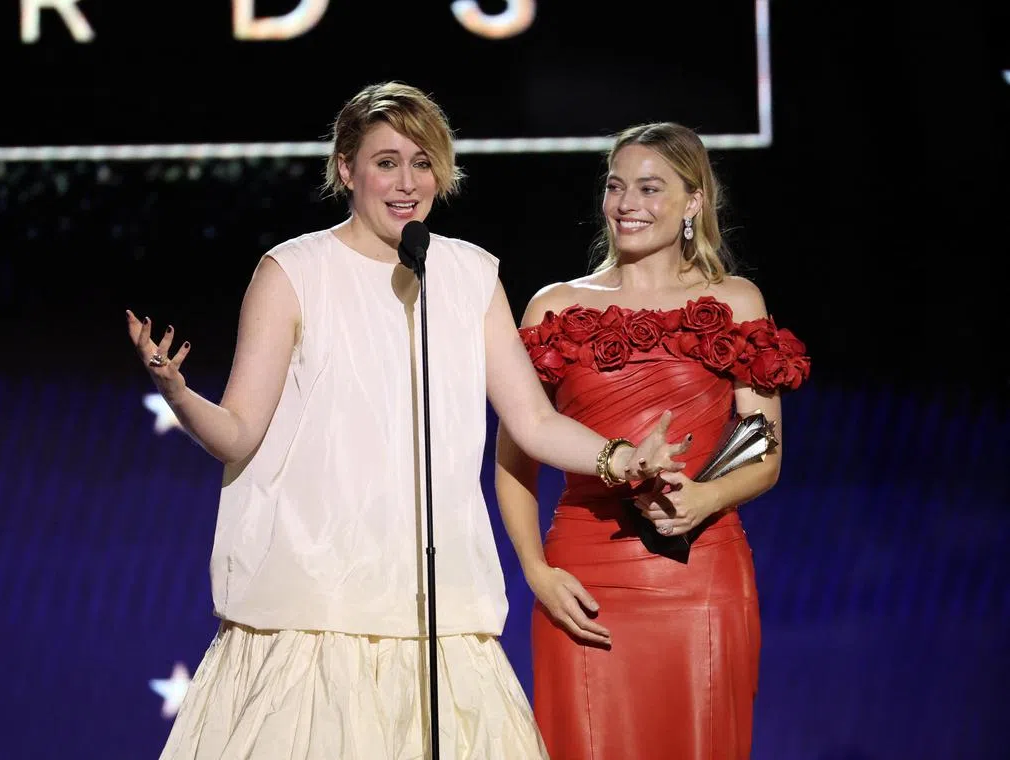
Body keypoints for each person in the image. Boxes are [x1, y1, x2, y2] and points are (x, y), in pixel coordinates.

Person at [124, 83, 688, 760]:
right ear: (346, 169)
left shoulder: (469, 273)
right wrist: (179, 392)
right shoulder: (294, 271)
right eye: (386, 162)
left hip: (440, 612)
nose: (407, 182)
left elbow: (534, 421)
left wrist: (620, 458)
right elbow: (238, 433)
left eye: (422, 163)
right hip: (316, 610)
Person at [495, 122, 811, 760]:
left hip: (701, 576)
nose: (626, 203)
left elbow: (766, 453)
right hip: (584, 580)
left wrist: (704, 498)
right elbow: (513, 461)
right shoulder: (554, 307)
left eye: (648, 187)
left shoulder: (735, 302)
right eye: (615, 186)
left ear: (694, 201)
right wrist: (536, 573)